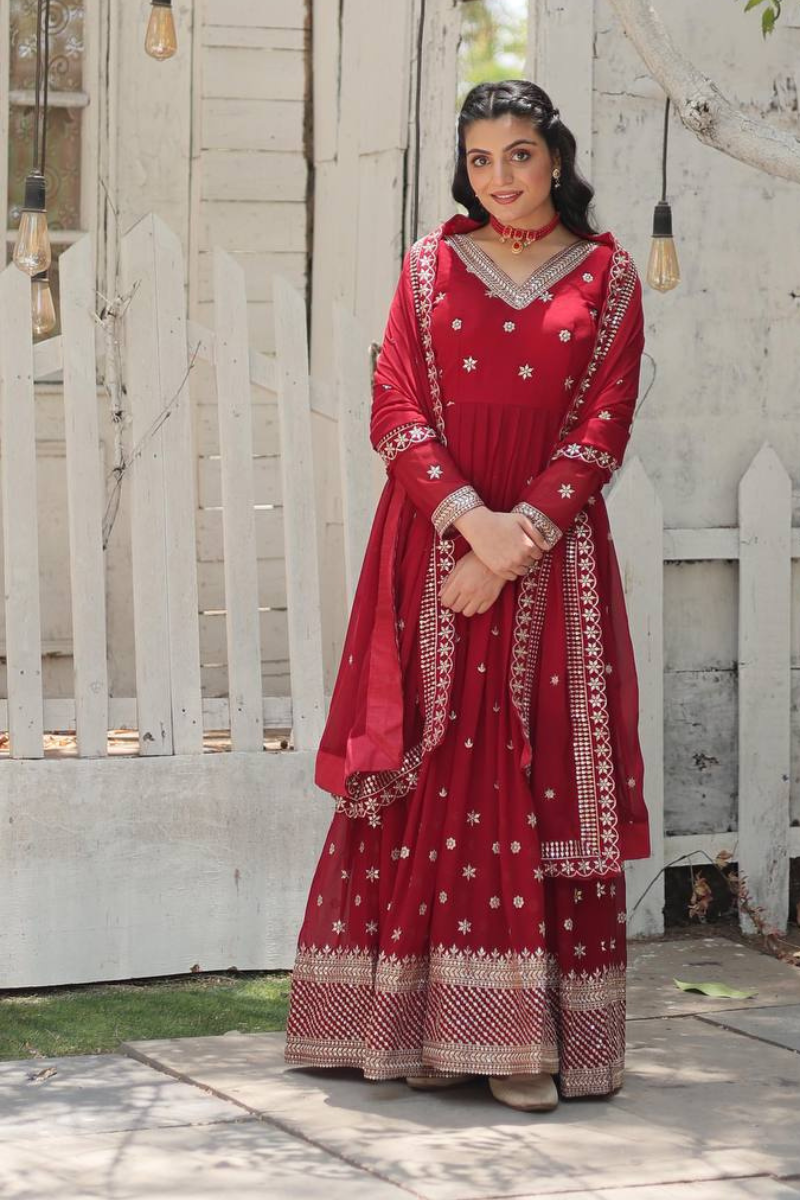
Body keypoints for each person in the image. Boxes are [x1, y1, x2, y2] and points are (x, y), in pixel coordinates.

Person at [283, 79, 651, 1112]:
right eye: (481, 158)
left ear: (556, 159)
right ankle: (423, 1032)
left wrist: (513, 540)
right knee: (434, 767)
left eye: (520, 154)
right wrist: (467, 523)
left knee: (533, 772)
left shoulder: (610, 277)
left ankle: (522, 1042)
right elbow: (391, 400)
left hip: (550, 559)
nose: (500, 176)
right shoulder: (426, 268)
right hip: (432, 548)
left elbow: (603, 424)